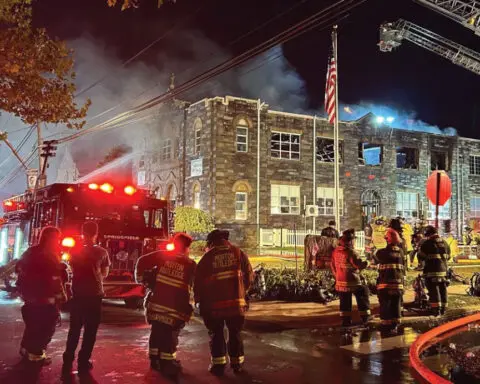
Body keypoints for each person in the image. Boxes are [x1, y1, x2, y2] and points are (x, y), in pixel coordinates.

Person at [194, 229, 254, 376]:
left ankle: (218, 366)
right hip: (236, 304)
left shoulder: (207, 258)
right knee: (235, 333)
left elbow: (198, 284)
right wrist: (242, 292)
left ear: (212, 242)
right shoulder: (239, 253)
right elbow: (250, 277)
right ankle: (237, 364)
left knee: (216, 334)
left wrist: (199, 302)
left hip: (215, 307)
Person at [144, 233, 196, 379]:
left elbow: (142, 261)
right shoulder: (190, 264)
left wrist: (144, 280)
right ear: (186, 248)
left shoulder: (162, 256)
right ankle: (168, 363)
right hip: (174, 307)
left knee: (156, 331)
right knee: (169, 335)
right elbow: (195, 285)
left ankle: (154, 360)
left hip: (156, 304)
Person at [62, 221, 111, 375]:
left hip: (78, 294)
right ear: (96, 233)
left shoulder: (74, 251)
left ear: (82, 232)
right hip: (94, 295)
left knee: (74, 329)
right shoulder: (102, 252)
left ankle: (68, 358)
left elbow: (71, 269)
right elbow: (104, 274)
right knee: (90, 330)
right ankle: (84, 361)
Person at [16, 226, 67, 365]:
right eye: (57, 238)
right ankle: (36, 355)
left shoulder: (31, 251)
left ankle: (26, 349)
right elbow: (54, 278)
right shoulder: (49, 255)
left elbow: (19, 268)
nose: (58, 241)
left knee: (32, 324)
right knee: (45, 327)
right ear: (50, 238)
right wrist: (61, 295)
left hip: (30, 297)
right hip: (44, 297)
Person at [331, 228, 371, 327]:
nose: (354, 242)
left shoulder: (336, 251)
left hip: (340, 281)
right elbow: (359, 265)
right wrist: (369, 262)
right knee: (363, 293)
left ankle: (346, 321)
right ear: (350, 241)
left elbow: (332, 265)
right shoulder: (351, 252)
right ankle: (365, 318)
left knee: (344, 301)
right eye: (353, 240)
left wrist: (337, 277)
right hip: (352, 281)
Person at [374, 228, 406, 332]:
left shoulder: (381, 252)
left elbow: (375, 259)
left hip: (385, 284)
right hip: (398, 284)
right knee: (396, 304)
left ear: (387, 240)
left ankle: (386, 325)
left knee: (385, 304)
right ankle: (395, 323)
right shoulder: (401, 252)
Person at [418, 226, 451, 316]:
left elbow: (421, 256)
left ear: (428, 234)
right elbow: (449, 256)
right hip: (444, 271)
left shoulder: (427, 243)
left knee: (434, 290)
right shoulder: (445, 243)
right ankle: (443, 309)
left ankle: (436, 310)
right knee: (443, 289)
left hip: (432, 271)